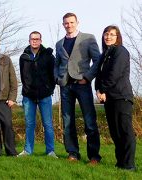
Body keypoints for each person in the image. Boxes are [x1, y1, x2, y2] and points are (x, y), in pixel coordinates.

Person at [54, 13, 102, 164]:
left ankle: (94, 156)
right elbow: (57, 63)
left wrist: (87, 77)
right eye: (66, 23)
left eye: (71, 22)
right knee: (68, 121)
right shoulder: (59, 43)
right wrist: (57, 77)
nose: (69, 25)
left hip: (82, 85)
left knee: (89, 120)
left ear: (77, 22)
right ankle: (73, 153)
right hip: (65, 86)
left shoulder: (88, 38)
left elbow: (97, 61)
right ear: (63, 25)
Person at [95, 25, 136, 171]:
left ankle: (129, 165)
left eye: (112, 34)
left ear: (118, 37)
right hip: (109, 99)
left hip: (121, 97)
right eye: (106, 34)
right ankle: (120, 163)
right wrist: (98, 90)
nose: (108, 36)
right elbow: (99, 76)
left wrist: (103, 89)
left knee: (125, 131)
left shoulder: (120, 51)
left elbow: (114, 74)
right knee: (115, 132)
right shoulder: (105, 54)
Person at [17, 31, 57, 158]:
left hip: (45, 95)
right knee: (29, 124)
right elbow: (24, 76)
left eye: (37, 39)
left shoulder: (48, 55)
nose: (34, 41)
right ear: (29, 41)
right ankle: (28, 150)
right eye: (32, 39)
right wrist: (27, 89)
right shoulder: (23, 56)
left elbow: (53, 74)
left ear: (40, 40)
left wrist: (49, 89)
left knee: (48, 124)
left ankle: (50, 151)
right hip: (28, 96)